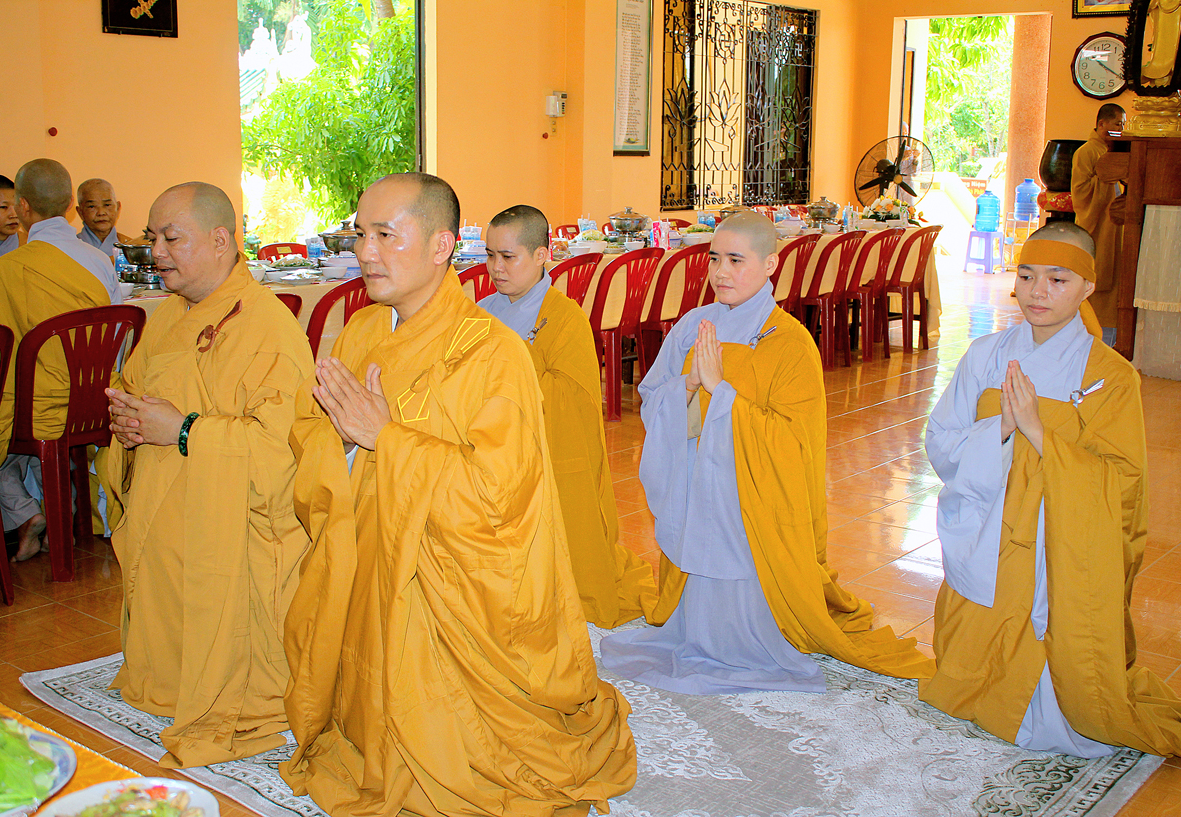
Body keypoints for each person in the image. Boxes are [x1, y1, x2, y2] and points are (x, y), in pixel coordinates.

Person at [283, 173, 636, 815]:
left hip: (451, 594)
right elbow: (312, 435)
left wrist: (385, 439)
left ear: (442, 245)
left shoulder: (493, 352)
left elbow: (499, 496)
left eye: (386, 235)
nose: (365, 251)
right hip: (372, 564)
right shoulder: (360, 330)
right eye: (360, 234)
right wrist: (344, 440)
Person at [600, 212, 935, 694]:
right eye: (714, 259)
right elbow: (653, 400)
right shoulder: (693, 325)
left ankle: (747, 636)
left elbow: (794, 442)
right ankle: (696, 628)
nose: (721, 272)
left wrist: (722, 393)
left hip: (751, 504)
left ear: (771, 264)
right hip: (697, 490)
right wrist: (688, 386)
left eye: (736, 260)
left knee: (745, 616)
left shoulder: (789, 342)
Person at [922, 221, 1181, 756]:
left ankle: (1047, 710)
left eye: (1058, 280)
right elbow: (941, 440)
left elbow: (1122, 481)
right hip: (988, 527)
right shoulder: (985, 355)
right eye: (1027, 276)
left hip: (1056, 542)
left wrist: (1039, 433)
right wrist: (1001, 428)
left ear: (1088, 287)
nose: (1038, 292)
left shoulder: (1109, 376)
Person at [99, 182, 313, 768]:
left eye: (172, 239)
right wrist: (127, 420)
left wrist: (186, 430)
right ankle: (166, 676)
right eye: (153, 238)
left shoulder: (268, 328)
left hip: (228, 527)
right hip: (164, 505)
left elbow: (283, 450)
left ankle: (234, 690)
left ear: (221, 241)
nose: (156, 253)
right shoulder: (169, 314)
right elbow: (140, 388)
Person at [477, 204, 657, 628]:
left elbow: (574, 405)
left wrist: (510, 373)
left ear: (541, 255)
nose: (496, 268)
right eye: (490, 255)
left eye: (508, 257)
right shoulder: (481, 311)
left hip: (547, 457)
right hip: (489, 451)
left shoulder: (564, 318)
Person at [0, 159, 120, 562]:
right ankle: (62, 516)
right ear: (70, 205)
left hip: (40, 409)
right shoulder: (101, 262)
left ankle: (28, 513)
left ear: (23, 207)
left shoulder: (2, 272)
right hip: (94, 403)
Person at [1071, 103, 1125, 343]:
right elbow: (1080, 192)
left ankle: (1110, 339)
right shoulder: (1086, 152)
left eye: (1123, 125)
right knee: (1096, 275)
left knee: (1114, 278)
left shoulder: (1112, 151)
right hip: (1096, 227)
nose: (1120, 129)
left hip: (1113, 226)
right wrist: (1105, 179)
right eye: (1117, 124)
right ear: (1101, 124)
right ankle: (1087, 335)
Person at [75, 178, 133, 256]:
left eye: (107, 205)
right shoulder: (70, 248)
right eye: (92, 206)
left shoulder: (132, 249)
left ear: (118, 208)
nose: (101, 213)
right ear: (80, 212)